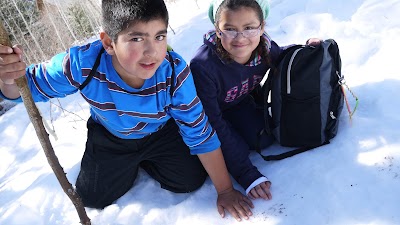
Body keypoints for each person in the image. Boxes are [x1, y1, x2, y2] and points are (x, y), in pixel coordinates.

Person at [0, 0, 255, 222]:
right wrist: (9, 78)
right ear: (109, 42)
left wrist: (225, 190)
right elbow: (28, 87)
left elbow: (199, 133)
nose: (152, 51)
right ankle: (125, 165)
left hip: (161, 131)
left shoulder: (174, 74)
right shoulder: (83, 64)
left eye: (159, 36)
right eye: (136, 38)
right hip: (111, 136)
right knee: (92, 196)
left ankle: (147, 161)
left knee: (190, 180)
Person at [190, 0, 321, 202]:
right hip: (212, 114)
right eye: (230, 29)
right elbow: (211, 120)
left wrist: (305, 50)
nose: (240, 38)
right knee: (237, 151)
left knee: (263, 139)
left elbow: (282, 55)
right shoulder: (204, 65)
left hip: (240, 104)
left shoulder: (264, 49)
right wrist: (246, 174)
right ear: (217, 30)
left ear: (262, 28)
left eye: (249, 28)